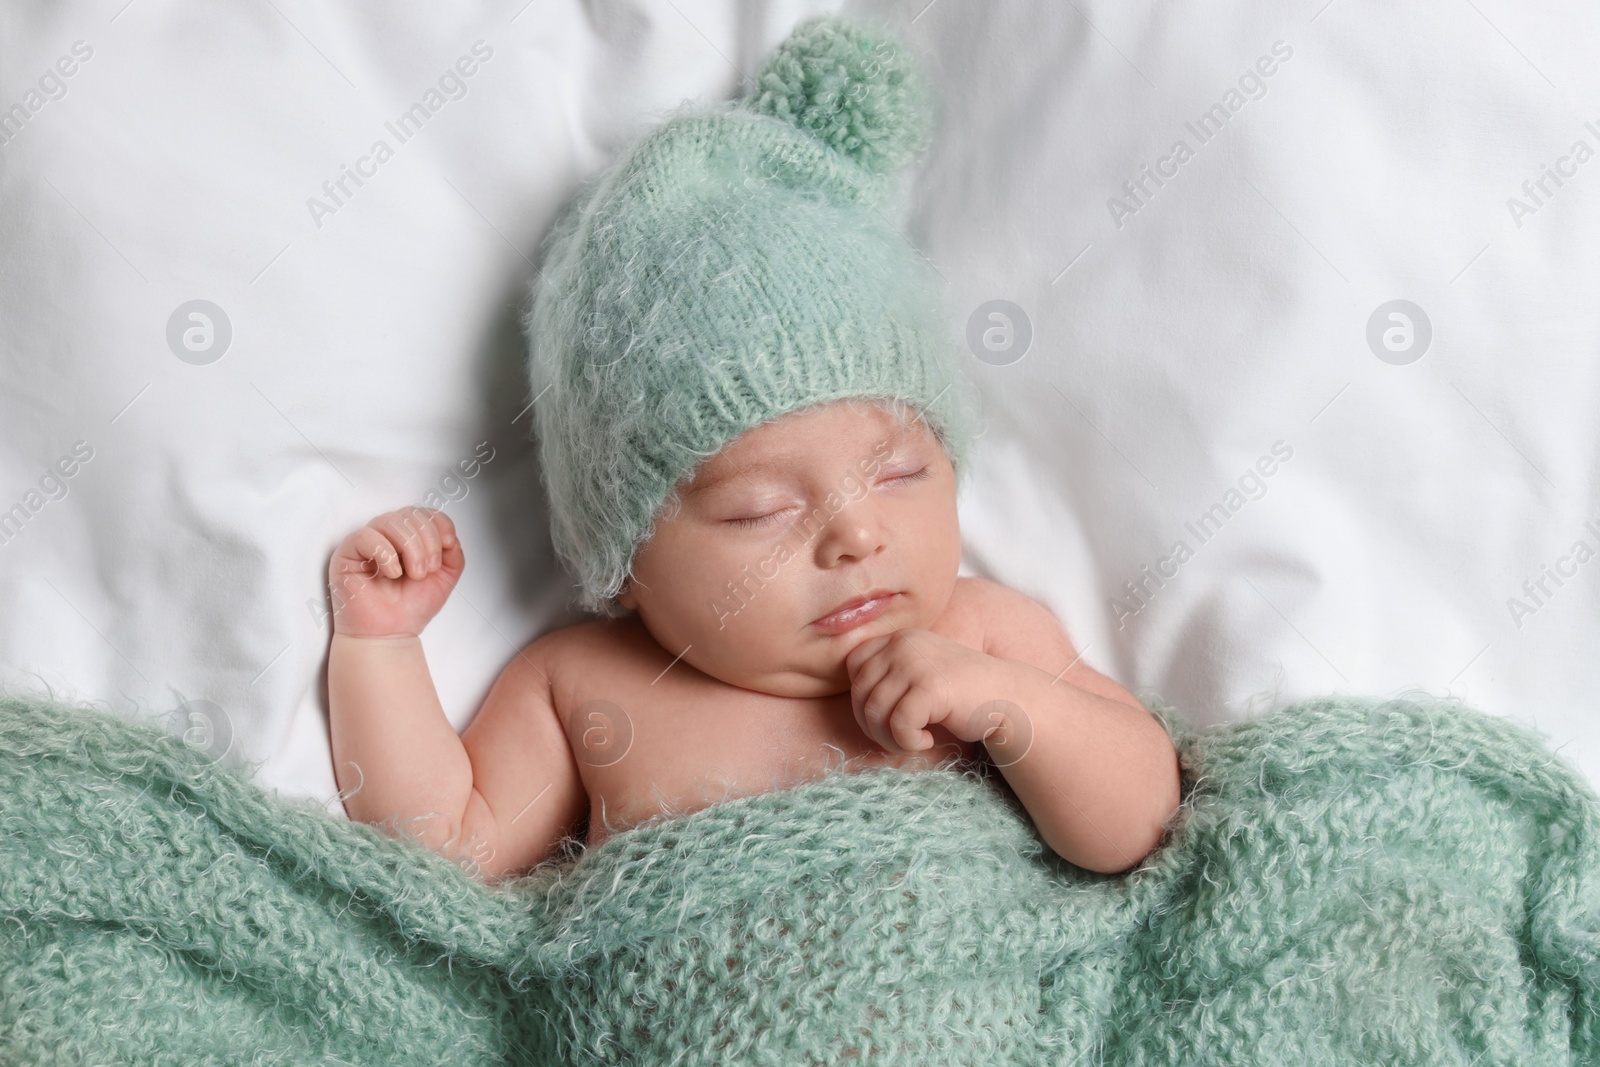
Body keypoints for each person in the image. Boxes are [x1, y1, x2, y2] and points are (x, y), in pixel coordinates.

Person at [324, 14, 1180, 885]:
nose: (856, 535)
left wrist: (1014, 708)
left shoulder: (988, 634)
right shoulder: (586, 683)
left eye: (899, 473)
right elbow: (447, 854)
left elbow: (1141, 818)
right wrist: (380, 648)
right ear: (624, 564)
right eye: (760, 510)